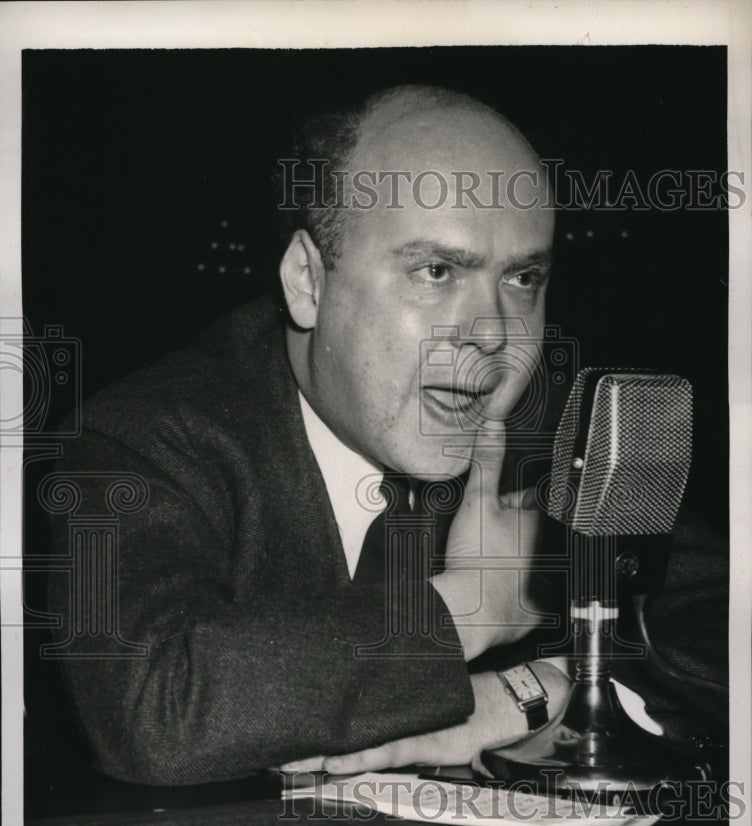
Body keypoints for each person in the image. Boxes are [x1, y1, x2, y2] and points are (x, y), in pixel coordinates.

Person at [46, 84, 725, 785]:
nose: (493, 336)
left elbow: (724, 628)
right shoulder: (139, 438)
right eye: (437, 272)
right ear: (308, 281)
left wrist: (562, 696)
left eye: (522, 278)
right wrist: (469, 608)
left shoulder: (545, 443)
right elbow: (155, 711)